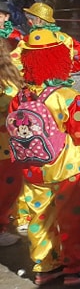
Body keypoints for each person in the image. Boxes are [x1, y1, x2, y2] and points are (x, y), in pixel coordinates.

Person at [10, 28, 80, 285]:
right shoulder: (65, 97)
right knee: (74, 217)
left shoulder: (20, 96)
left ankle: (45, 266)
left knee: (39, 216)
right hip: (67, 167)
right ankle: (76, 266)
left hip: (32, 168)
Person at [15, 2, 80, 74]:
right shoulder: (64, 38)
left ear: (38, 21)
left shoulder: (28, 40)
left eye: (30, 20)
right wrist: (64, 68)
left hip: (35, 86)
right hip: (58, 84)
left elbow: (14, 61)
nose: (29, 22)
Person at [0, 39, 24, 245]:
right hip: (5, 145)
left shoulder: (10, 75)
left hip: (9, 142)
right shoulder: (9, 78)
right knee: (7, 187)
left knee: (11, 186)